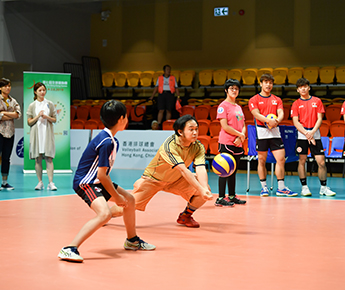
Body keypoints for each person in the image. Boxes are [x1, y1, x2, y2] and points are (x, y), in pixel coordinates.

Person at [58, 100, 155, 263]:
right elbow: (102, 175)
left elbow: (103, 175)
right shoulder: (107, 142)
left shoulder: (110, 139)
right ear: (122, 119)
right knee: (105, 214)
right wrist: (116, 197)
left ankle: (132, 240)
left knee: (130, 200)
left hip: (97, 181)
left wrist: (118, 195)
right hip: (86, 183)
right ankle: (69, 248)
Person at [122, 115, 212, 228]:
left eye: (196, 129)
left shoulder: (198, 146)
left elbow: (200, 168)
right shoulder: (170, 145)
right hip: (153, 180)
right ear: (180, 132)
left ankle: (186, 216)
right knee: (126, 207)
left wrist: (203, 189)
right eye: (191, 129)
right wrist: (200, 188)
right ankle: (105, 214)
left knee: (205, 189)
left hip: (175, 180)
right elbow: (184, 170)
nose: (195, 132)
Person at [249, 73, 297, 197]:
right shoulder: (254, 99)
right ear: (261, 84)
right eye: (266, 82)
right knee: (261, 160)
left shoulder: (277, 99)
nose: (268, 85)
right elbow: (256, 114)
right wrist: (267, 120)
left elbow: (281, 113)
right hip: (262, 132)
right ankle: (264, 187)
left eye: (270, 83)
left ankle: (281, 188)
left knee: (281, 159)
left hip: (275, 131)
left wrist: (276, 121)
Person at [291, 78, 336, 197]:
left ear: (309, 88)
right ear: (297, 90)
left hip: (315, 134)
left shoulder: (317, 101)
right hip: (302, 135)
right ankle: (304, 187)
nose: (303, 89)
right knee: (302, 160)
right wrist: (306, 133)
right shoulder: (296, 104)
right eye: (300, 87)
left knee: (321, 162)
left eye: (305, 86)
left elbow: (320, 118)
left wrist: (312, 132)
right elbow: (296, 122)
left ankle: (324, 187)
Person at [214, 79, 246, 206]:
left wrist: (241, 136)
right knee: (224, 170)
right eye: (232, 88)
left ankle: (232, 196)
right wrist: (239, 135)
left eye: (236, 89)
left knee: (233, 170)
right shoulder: (223, 106)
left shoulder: (238, 107)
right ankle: (220, 197)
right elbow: (225, 126)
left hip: (237, 142)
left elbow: (243, 124)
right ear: (226, 90)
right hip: (226, 142)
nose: (234, 91)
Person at [26, 82, 57, 191]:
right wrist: (38, 116)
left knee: (49, 158)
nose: (42, 92)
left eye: (44, 90)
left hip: (47, 134)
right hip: (36, 135)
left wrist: (46, 116)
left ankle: (51, 183)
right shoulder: (32, 105)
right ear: (35, 92)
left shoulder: (50, 104)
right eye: (40, 90)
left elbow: (54, 119)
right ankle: (40, 182)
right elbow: (29, 122)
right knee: (38, 159)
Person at [0, 78, 21, 190]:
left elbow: (18, 114)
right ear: (0, 88)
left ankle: (4, 182)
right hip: (0, 131)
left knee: (6, 157)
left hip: (10, 132)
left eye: (9, 85)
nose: (7, 88)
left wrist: (3, 113)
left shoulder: (13, 100)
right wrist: (11, 114)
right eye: (5, 86)